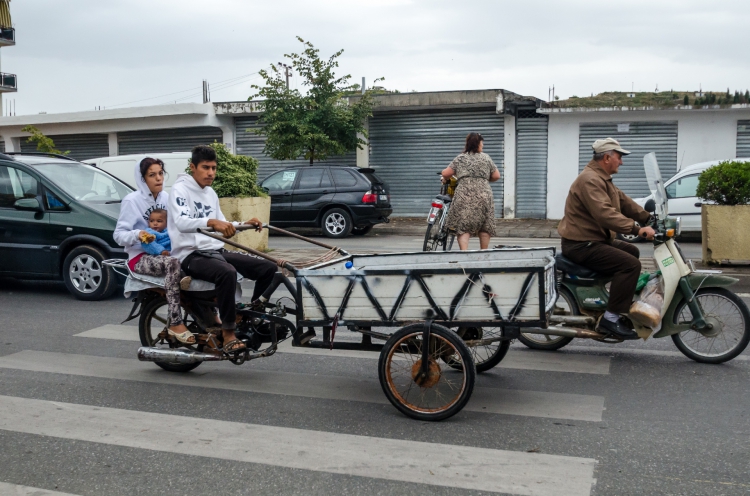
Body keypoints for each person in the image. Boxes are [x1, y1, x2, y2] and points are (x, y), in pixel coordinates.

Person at [168, 145, 277, 354]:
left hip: (215, 251)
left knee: (268, 268)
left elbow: (223, 224)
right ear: (193, 167)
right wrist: (212, 222)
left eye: (214, 168)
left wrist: (245, 223)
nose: (211, 173)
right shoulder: (179, 190)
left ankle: (250, 318)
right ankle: (228, 333)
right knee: (227, 272)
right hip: (191, 255)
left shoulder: (210, 192)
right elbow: (182, 222)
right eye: (205, 167)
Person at [557, 138, 656, 340]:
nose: (622, 162)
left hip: (594, 240)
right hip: (581, 245)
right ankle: (610, 319)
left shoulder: (602, 179)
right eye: (619, 157)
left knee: (632, 252)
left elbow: (625, 203)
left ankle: (613, 297)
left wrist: (649, 218)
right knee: (630, 265)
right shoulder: (590, 180)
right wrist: (637, 230)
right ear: (607, 157)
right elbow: (605, 213)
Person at [114, 158, 195, 344]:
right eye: (152, 175)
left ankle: (210, 316)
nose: (158, 178)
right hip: (141, 257)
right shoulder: (131, 201)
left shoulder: (168, 198)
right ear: (142, 179)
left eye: (160, 173)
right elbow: (118, 235)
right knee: (173, 263)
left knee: (201, 261)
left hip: (167, 251)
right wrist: (138, 234)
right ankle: (175, 321)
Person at [441, 132, 501, 250]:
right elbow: (496, 176)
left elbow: (446, 173)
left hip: (465, 193)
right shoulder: (486, 158)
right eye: (482, 143)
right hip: (484, 193)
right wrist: (482, 178)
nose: (482, 145)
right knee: (485, 225)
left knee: (463, 225)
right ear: (479, 144)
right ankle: (483, 253)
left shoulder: (461, 158)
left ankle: (465, 254)